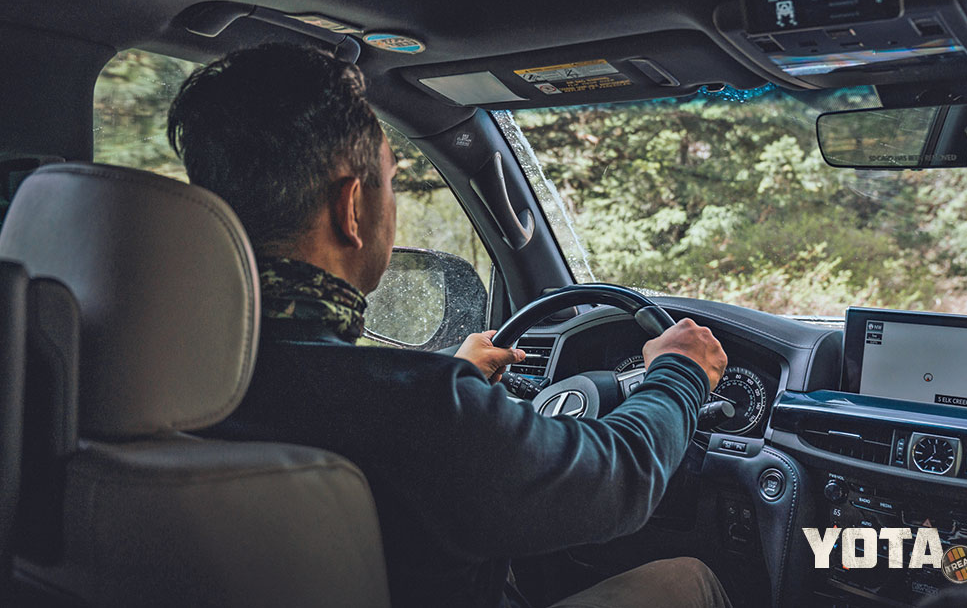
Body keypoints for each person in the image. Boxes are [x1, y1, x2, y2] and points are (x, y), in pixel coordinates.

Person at [168, 42, 731, 608]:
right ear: (352, 208)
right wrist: (679, 372)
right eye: (390, 182)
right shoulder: (419, 413)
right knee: (684, 581)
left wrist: (455, 387)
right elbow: (617, 483)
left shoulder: (147, 380)